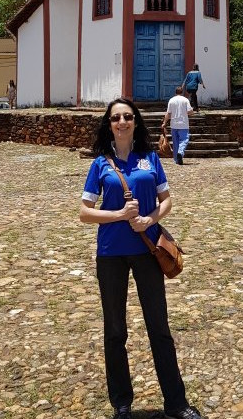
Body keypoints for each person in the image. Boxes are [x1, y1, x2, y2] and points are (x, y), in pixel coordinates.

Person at [79, 98, 203, 419]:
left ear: (136, 122)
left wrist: (149, 220)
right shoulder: (100, 164)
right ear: (109, 124)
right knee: (115, 330)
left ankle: (176, 402)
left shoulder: (149, 158)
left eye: (128, 117)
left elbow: (166, 201)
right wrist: (120, 214)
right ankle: (121, 403)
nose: (122, 122)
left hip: (148, 250)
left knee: (159, 327)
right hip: (111, 254)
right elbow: (84, 212)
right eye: (116, 117)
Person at [162, 86, 193, 165]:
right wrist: (192, 112)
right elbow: (189, 112)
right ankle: (180, 152)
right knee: (184, 140)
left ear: (175, 92)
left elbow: (168, 113)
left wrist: (164, 123)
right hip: (183, 124)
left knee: (175, 142)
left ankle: (176, 159)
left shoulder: (171, 100)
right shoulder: (185, 100)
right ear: (182, 92)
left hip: (174, 124)